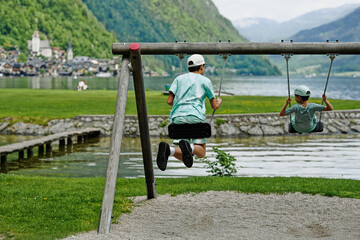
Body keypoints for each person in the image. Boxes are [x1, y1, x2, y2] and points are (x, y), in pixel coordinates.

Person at [156, 54, 222, 171]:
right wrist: (219, 101)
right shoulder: (205, 81)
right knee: (201, 152)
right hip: (195, 117)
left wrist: (181, 103)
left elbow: (169, 101)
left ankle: (168, 150)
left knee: (183, 155)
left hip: (178, 118)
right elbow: (214, 106)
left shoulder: (178, 79)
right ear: (202, 67)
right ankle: (190, 147)